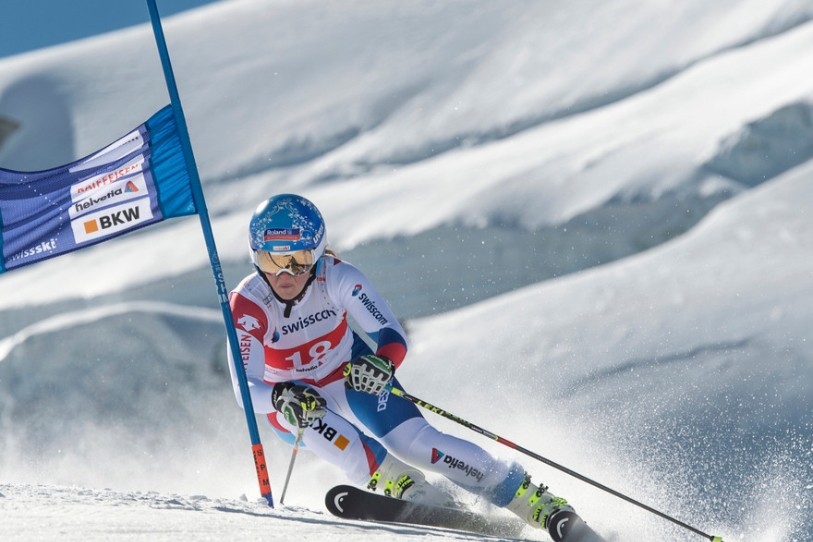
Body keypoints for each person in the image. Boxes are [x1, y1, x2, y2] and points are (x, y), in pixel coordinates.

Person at [226, 193, 577, 541]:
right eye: (272, 260)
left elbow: (391, 334)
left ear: (317, 253)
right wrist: (280, 395)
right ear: (256, 256)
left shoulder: (336, 278)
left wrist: (382, 363)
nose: (285, 274)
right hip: (293, 401)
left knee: (416, 443)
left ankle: (533, 501)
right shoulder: (249, 304)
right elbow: (246, 390)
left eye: (298, 259)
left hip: (351, 375)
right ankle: (401, 483)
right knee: (306, 413)